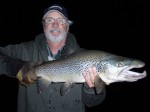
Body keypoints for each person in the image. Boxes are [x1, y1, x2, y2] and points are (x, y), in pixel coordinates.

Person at [0, 4, 106, 112]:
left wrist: (91, 89)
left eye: (61, 20)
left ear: (68, 26)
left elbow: (93, 102)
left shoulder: (86, 57)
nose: (55, 24)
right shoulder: (24, 50)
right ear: (43, 25)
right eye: (49, 20)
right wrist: (15, 66)